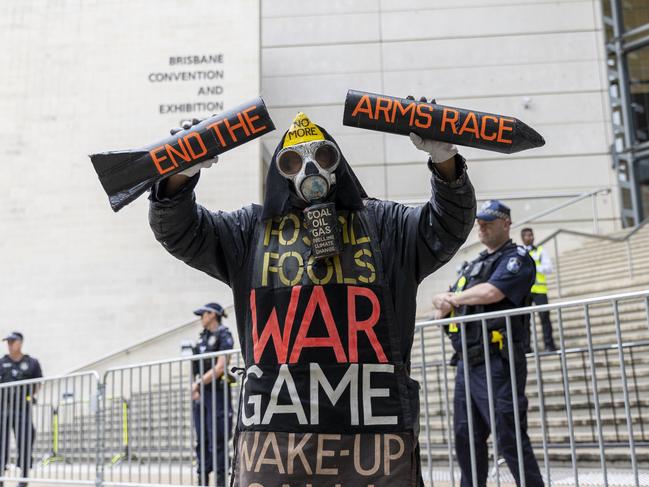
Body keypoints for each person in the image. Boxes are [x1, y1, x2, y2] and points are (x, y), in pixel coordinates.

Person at [149, 103, 476, 486]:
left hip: (371, 446)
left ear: (337, 162)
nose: (310, 170)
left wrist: (445, 163)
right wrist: (179, 175)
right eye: (293, 161)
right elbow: (181, 231)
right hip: (279, 443)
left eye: (322, 156)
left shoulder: (386, 225)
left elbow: (446, 225)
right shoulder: (249, 231)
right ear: (280, 172)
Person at [432, 200, 544, 487]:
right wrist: (441, 300)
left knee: (509, 435)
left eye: (488, 221)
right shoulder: (473, 264)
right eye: (479, 221)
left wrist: (453, 299)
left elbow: (494, 292)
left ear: (506, 224)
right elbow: (442, 304)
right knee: (465, 437)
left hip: (498, 361)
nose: (480, 226)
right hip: (466, 363)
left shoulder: (516, 258)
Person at [190, 303, 234, 487]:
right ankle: (202, 480)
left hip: (217, 393)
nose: (201, 317)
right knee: (202, 438)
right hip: (202, 396)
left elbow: (221, 367)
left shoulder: (224, 334)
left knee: (218, 437)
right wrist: (197, 387)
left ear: (213, 314)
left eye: (204, 314)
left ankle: (221, 481)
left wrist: (198, 384)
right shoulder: (202, 338)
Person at [0, 332, 43, 487]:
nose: (10, 345)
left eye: (12, 342)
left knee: (25, 441)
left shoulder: (32, 362)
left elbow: (38, 383)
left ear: (20, 343)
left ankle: (23, 479)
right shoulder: (1, 362)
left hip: (22, 409)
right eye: (8, 342)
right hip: (3, 409)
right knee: (0, 445)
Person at [520, 227, 557, 351]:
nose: (530, 237)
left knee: (545, 318)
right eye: (527, 236)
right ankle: (525, 347)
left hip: (540, 290)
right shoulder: (519, 253)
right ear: (522, 238)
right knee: (524, 321)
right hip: (525, 291)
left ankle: (549, 345)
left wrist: (535, 266)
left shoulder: (540, 251)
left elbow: (549, 268)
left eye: (531, 235)